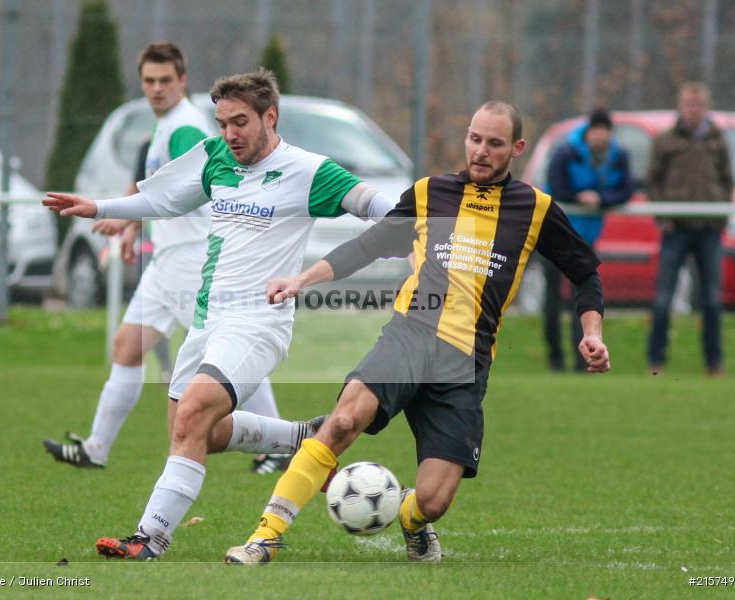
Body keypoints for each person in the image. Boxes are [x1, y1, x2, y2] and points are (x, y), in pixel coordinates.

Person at [224, 101, 611, 565]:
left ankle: (410, 518)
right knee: (343, 421)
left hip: (465, 359)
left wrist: (592, 332)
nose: (481, 151)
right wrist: (302, 280)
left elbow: (585, 272)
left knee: (434, 500)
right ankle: (264, 536)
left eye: (494, 143)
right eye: (474, 139)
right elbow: (371, 244)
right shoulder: (430, 193)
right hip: (410, 335)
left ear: (517, 149)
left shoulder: (536, 207)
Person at [42, 69, 396, 560]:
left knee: (192, 413)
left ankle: (150, 538)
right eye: (223, 122)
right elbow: (165, 199)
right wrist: (100, 205)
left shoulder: (309, 171)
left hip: (258, 322)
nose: (229, 133)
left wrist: (424, 224)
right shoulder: (215, 158)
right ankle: (301, 436)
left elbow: (378, 204)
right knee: (195, 434)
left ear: (270, 117)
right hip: (207, 322)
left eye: (241, 122)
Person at [43, 43, 288, 473]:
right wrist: (134, 226)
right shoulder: (165, 127)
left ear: (182, 81)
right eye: (149, 81)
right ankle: (96, 447)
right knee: (127, 346)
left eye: (164, 80)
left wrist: (128, 221)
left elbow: (180, 192)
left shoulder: (186, 129)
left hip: (191, 260)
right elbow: (163, 189)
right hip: (166, 260)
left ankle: (279, 442)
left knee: (227, 351)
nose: (156, 89)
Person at [646, 82, 733, 377]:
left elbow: (727, 180)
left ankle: (714, 365)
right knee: (662, 300)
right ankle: (655, 362)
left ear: (705, 107)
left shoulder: (717, 139)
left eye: (698, 105)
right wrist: (662, 215)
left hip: (709, 229)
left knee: (711, 300)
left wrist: (722, 216)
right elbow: (653, 181)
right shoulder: (666, 139)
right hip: (676, 229)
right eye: (689, 105)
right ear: (681, 107)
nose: (694, 110)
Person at [542, 108, 633, 371]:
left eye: (605, 131)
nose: (600, 136)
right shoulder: (566, 152)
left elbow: (625, 189)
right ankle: (555, 358)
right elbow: (556, 187)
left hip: (586, 240)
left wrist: (600, 198)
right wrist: (581, 196)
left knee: (583, 300)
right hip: (555, 235)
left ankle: (582, 361)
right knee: (552, 299)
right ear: (589, 130)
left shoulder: (618, 156)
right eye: (597, 130)